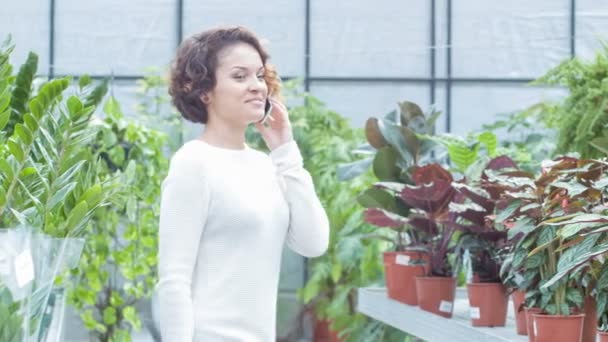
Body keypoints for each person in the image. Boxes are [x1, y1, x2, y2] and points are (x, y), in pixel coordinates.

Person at [156, 26, 330, 341]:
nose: (257, 87)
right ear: (203, 90)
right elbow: (173, 280)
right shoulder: (193, 163)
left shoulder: (269, 165)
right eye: (240, 76)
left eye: (260, 76)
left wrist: (286, 151)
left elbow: (313, 242)